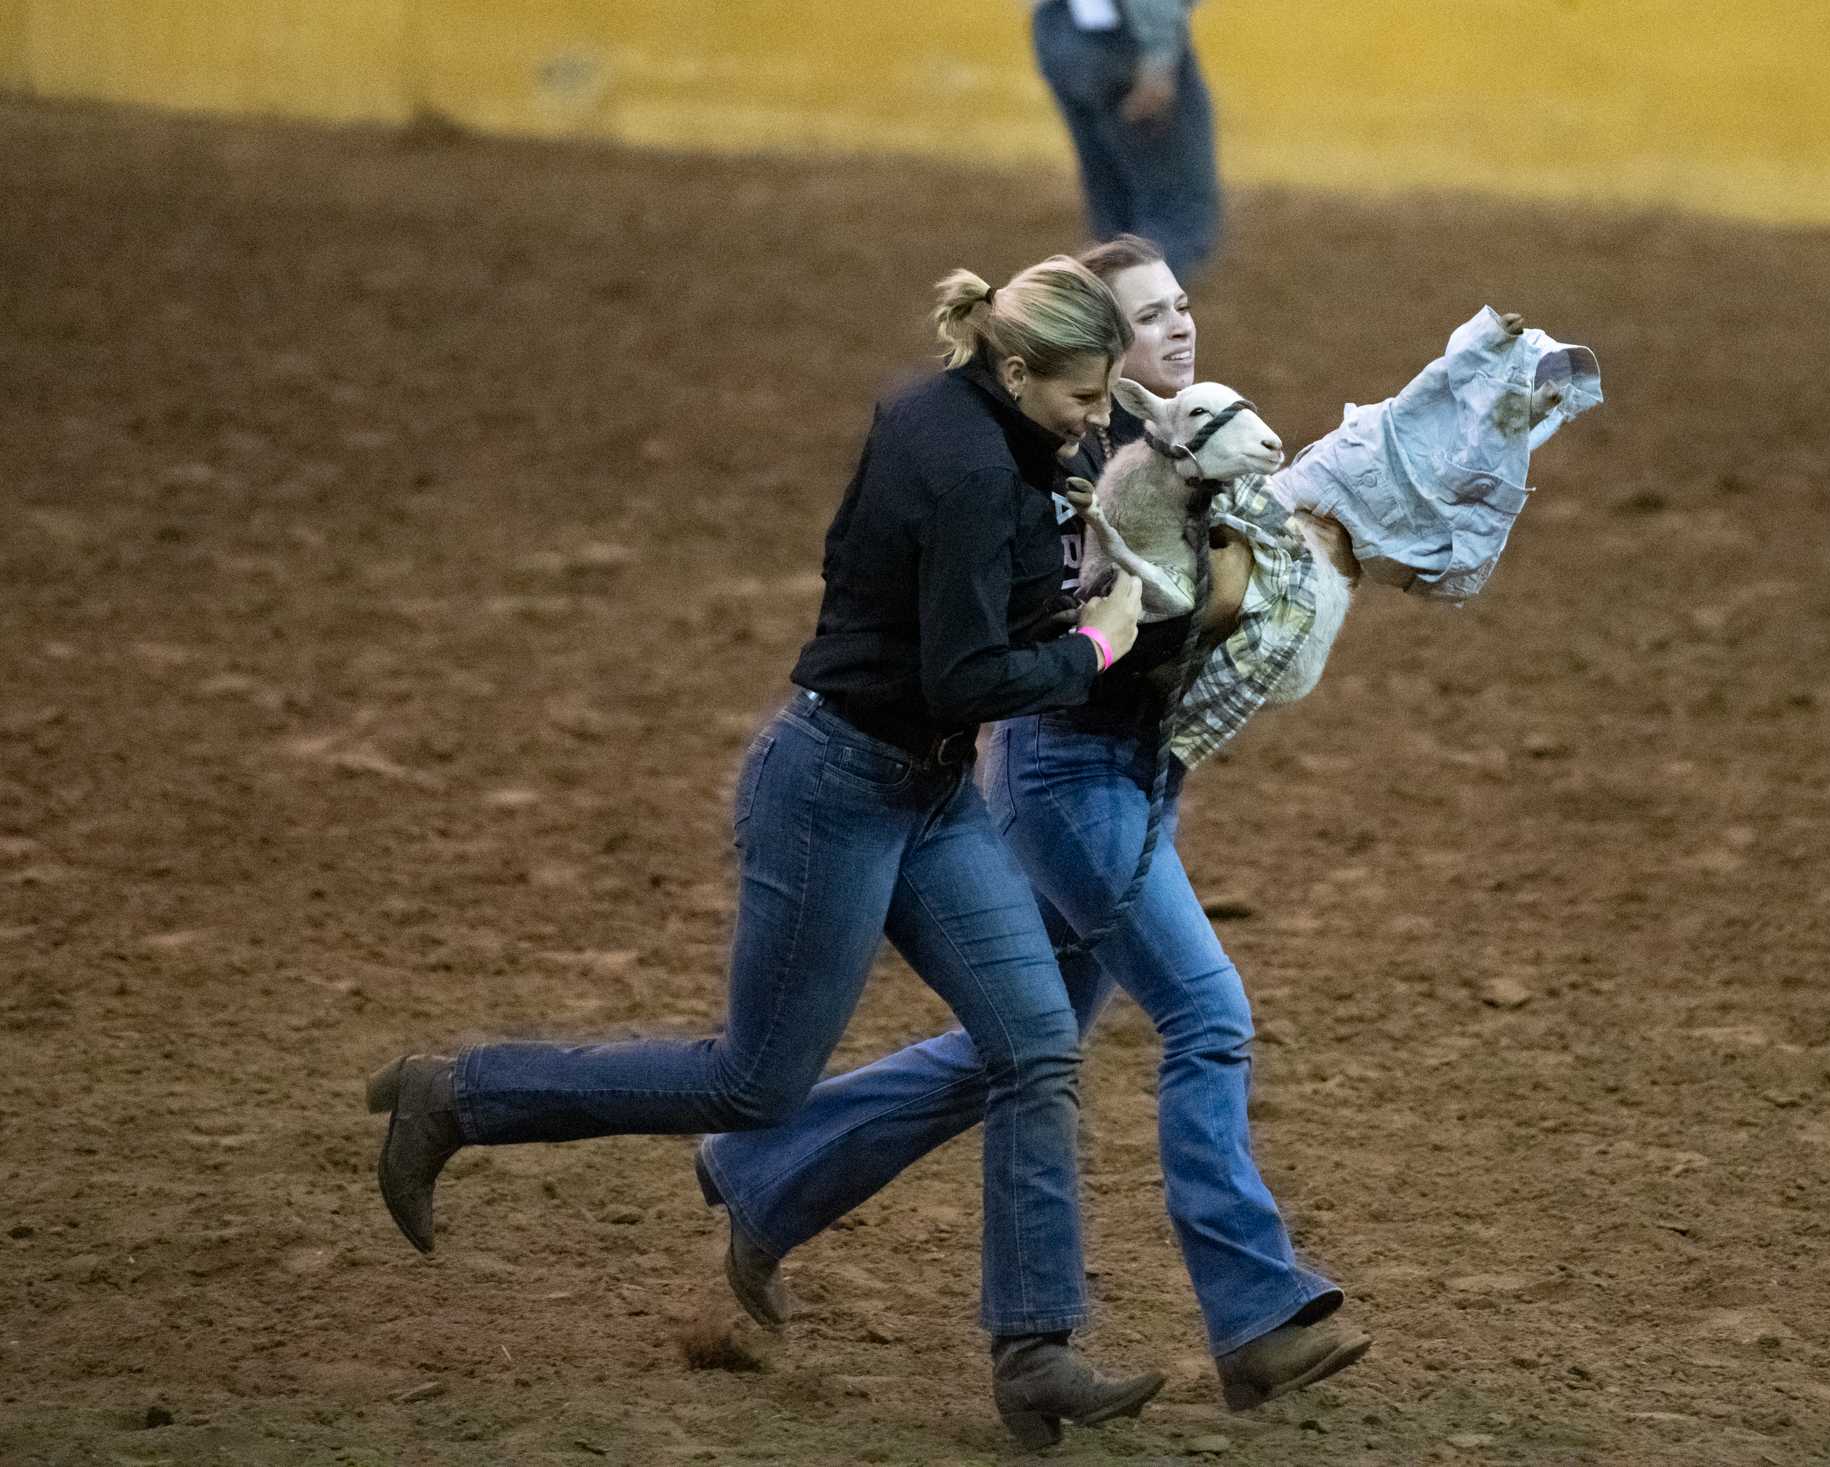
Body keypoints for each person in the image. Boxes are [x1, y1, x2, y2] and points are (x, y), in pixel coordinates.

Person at [365, 254, 1168, 1450]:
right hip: (836, 792)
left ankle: (1035, 1350)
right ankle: (458, 1096)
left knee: (1037, 1045)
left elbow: (944, 585)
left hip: (927, 790)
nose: (1097, 419)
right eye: (1082, 398)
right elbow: (968, 676)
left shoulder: (959, 420)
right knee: (755, 1082)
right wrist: (1099, 643)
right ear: (1014, 368)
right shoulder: (960, 471)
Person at [694, 235, 1394, 1415]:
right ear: (1089, 359)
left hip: (1121, 777)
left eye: (1179, 308)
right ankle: (1256, 1318)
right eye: (1139, 321)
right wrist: (1274, 579)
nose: (1171, 331)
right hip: (1073, 779)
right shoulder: (1090, 469)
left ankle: (769, 1176)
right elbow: (1138, 639)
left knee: (1015, 1050)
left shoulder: (1187, 441)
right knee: (1208, 1018)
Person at [1031, 1, 1221, 279]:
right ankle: (1131, 315)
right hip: (1125, 35)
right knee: (1177, 216)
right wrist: (1158, 53)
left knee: (1114, 217)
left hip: (1060, 27)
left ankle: (1101, 314)